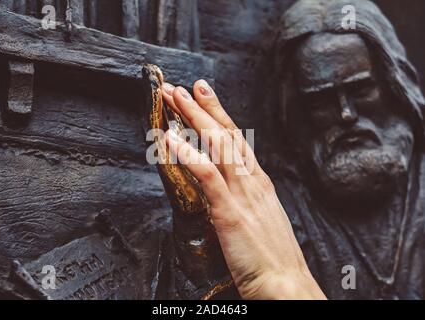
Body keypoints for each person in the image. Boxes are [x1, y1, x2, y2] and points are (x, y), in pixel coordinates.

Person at [160, 0, 425, 300]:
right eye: (322, 100)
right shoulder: (275, 214)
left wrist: (286, 286)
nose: (347, 114)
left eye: (361, 90)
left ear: (394, 84)